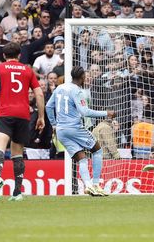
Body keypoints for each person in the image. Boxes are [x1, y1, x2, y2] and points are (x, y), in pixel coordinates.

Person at [0, 42, 45, 201]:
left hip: (4, 113)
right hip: (23, 115)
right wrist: (41, 117)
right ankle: (17, 192)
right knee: (17, 154)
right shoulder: (28, 70)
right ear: (19, 55)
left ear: (4, 56)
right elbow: (39, 94)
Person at [45, 66, 115, 196]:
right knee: (97, 149)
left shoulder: (59, 88)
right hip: (74, 128)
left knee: (81, 158)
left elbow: (48, 106)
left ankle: (88, 186)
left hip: (61, 131)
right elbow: (84, 112)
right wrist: (106, 113)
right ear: (82, 77)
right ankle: (95, 184)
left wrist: (54, 124)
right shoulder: (77, 91)